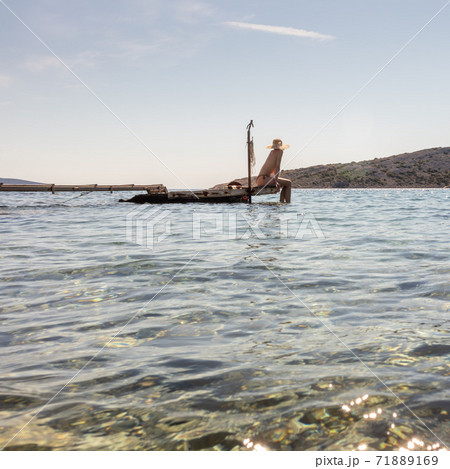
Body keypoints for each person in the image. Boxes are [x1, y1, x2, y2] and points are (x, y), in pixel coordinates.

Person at [256, 138, 292, 203]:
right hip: (265, 179)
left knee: (286, 183)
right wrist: (275, 180)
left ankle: (283, 203)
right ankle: (287, 204)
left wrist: (276, 179)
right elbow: (277, 167)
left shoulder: (272, 152)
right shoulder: (280, 152)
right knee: (288, 183)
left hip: (260, 179)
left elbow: (271, 169)